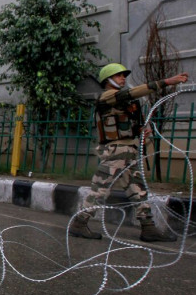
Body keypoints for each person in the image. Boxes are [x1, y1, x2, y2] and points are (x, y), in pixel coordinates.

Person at [69, 63, 188, 242]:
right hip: (116, 152)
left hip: (128, 150)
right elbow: (132, 92)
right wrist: (166, 82)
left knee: (138, 190)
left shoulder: (122, 103)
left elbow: (126, 125)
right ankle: (79, 223)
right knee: (100, 189)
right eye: (118, 76)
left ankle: (148, 228)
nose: (123, 78)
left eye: (124, 75)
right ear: (107, 80)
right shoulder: (107, 96)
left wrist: (142, 131)